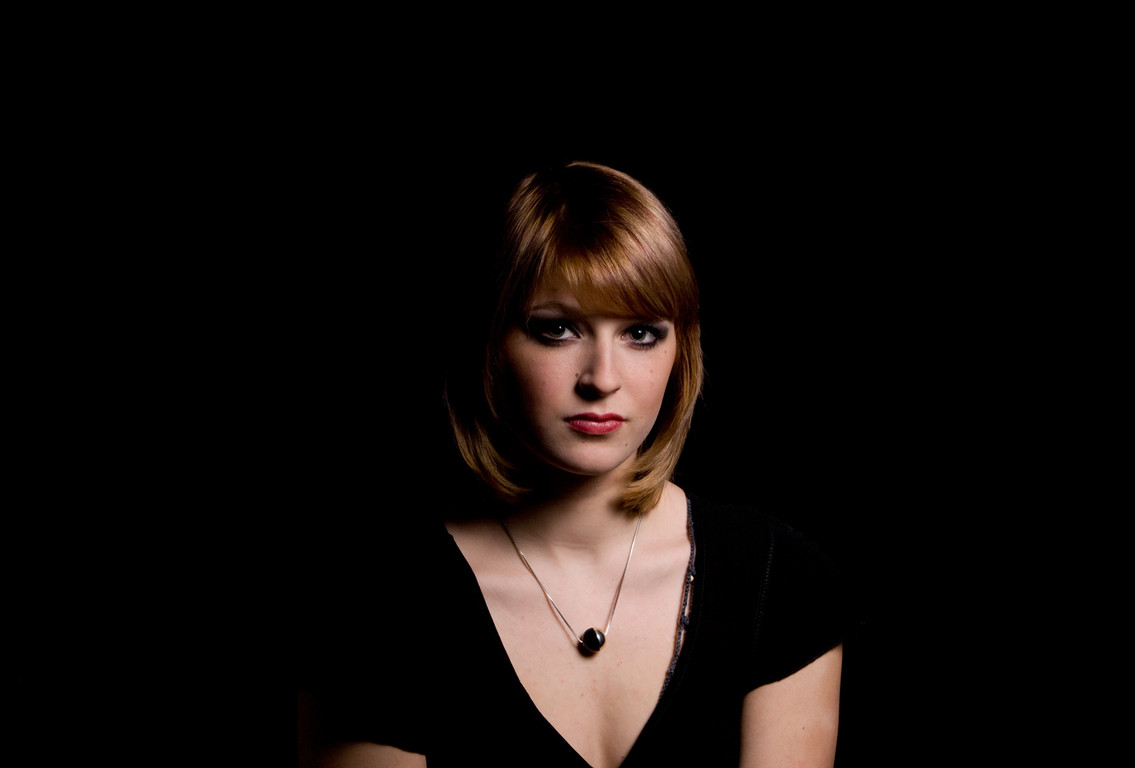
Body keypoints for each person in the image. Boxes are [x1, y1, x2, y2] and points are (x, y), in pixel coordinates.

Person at [298, 161, 855, 767]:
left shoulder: (780, 581)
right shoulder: (378, 609)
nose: (602, 379)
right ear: (492, 343)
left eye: (640, 333)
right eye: (557, 329)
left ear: (680, 351)